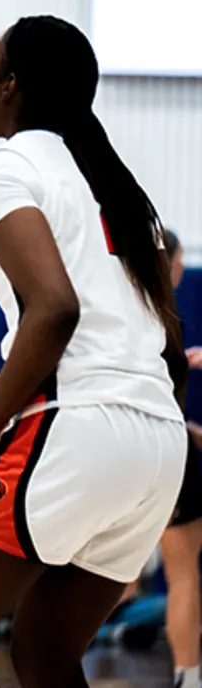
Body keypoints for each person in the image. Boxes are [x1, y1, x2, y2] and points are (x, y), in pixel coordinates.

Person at [0, 15, 189, 688]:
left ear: (12, 83)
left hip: (77, 423)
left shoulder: (7, 170)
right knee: (46, 657)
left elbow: (54, 310)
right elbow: (167, 341)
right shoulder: (115, 184)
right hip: (158, 442)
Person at [158, 228, 202, 688]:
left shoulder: (108, 315)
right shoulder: (167, 320)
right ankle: (188, 678)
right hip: (169, 454)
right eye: (180, 258)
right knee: (184, 573)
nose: (184, 267)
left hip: (120, 452)